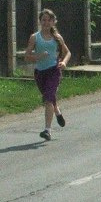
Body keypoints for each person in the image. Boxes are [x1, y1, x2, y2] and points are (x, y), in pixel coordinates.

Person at [25, 8, 71, 141]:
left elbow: (68, 53)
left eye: (48, 20)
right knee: (48, 98)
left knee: (48, 99)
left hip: (54, 71)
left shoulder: (57, 38)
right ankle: (57, 112)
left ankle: (47, 130)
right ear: (40, 21)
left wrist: (64, 62)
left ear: (53, 22)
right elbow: (27, 56)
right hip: (40, 73)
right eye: (43, 20)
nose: (45, 22)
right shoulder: (35, 37)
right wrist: (38, 56)